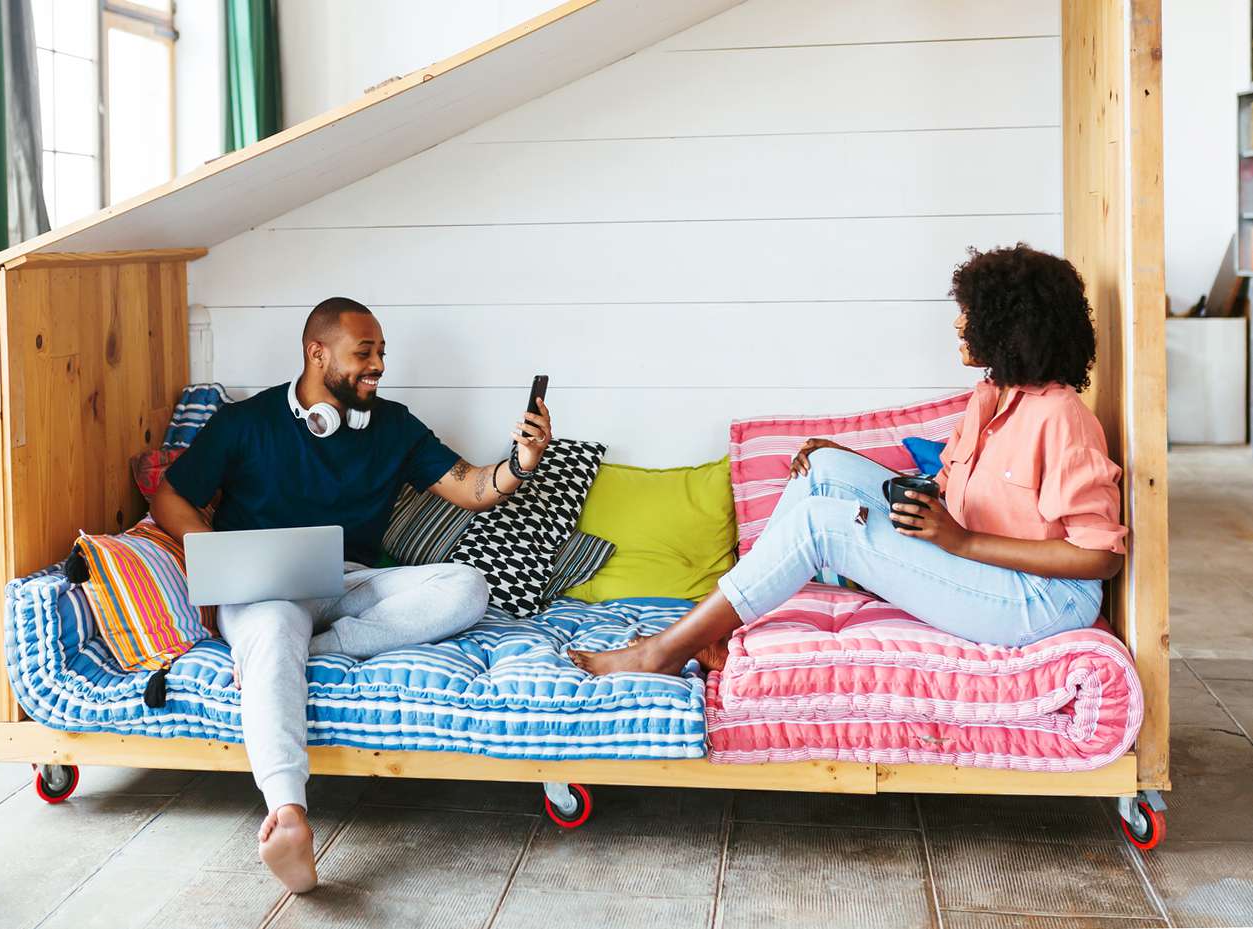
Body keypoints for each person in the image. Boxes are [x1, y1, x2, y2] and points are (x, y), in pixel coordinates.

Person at [571, 243, 1127, 677]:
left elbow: (1099, 559)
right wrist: (849, 464)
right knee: (825, 472)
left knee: (823, 526)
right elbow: (945, 490)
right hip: (980, 568)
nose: (960, 325)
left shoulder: (1062, 418)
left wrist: (962, 543)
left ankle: (667, 650)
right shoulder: (989, 398)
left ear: (1011, 328)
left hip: (1039, 600)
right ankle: (714, 628)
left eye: (971, 314)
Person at [150, 296, 553, 893]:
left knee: (466, 584)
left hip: (352, 581)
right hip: (268, 590)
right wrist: (216, 553)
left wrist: (521, 463)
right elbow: (168, 497)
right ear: (317, 353)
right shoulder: (247, 422)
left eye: (382, 352)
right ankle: (287, 815)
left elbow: (470, 487)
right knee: (272, 625)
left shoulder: (393, 425)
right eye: (364, 352)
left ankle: (295, 656)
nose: (379, 365)